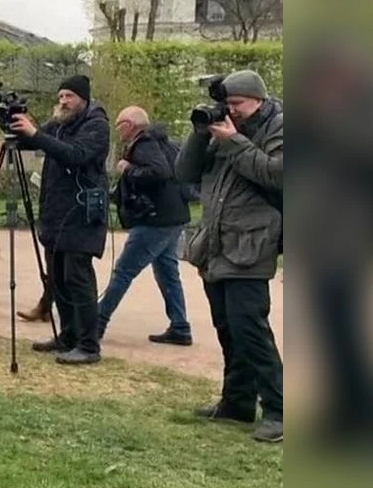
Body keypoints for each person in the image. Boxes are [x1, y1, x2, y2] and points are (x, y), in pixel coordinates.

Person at [176, 69, 283, 443]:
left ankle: (279, 410)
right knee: (227, 327)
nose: (231, 111)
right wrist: (199, 132)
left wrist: (235, 141)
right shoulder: (222, 128)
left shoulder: (280, 128)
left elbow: (279, 175)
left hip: (252, 242)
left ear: (259, 100)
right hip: (217, 241)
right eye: (228, 105)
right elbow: (184, 173)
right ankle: (237, 402)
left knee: (250, 328)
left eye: (237, 104)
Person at [9, 74, 110, 365]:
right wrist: (15, 123)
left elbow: (76, 155)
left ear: (83, 98)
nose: (63, 101)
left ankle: (89, 345)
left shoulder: (96, 125)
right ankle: (67, 336)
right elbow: (32, 141)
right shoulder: (61, 124)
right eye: (61, 96)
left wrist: (37, 134)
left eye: (69, 96)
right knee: (58, 279)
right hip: (57, 214)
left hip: (82, 214)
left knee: (77, 278)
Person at [97, 106, 193, 345]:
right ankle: (180, 326)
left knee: (123, 271)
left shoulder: (144, 144)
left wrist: (128, 169)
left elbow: (158, 173)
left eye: (119, 125)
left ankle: (96, 322)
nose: (118, 130)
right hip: (174, 216)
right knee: (168, 272)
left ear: (129, 125)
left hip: (155, 220)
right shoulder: (166, 143)